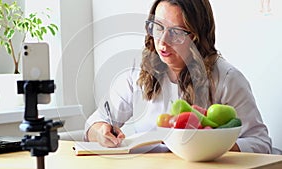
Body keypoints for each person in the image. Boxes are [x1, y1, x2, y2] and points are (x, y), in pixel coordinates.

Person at [84, 0, 272, 154]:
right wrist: (101, 132)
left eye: (176, 32)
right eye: (157, 27)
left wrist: (213, 144)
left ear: (198, 36)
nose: (163, 41)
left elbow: (261, 143)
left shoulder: (226, 78)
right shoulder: (136, 73)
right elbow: (94, 124)